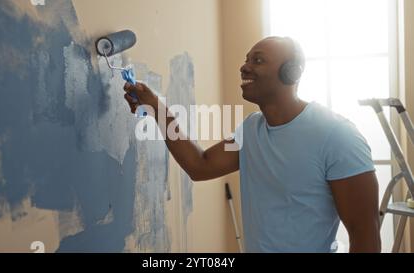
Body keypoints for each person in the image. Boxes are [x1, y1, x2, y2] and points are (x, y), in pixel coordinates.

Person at [123, 36, 381, 253]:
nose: (244, 67)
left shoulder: (337, 135)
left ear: (291, 72)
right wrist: (156, 107)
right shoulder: (251, 130)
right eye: (246, 59)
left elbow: (364, 235)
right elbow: (199, 166)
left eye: (257, 60)